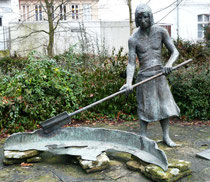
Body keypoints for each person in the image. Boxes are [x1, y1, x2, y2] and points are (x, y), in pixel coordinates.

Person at [120, 4, 180, 147]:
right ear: (136, 19)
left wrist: (169, 64)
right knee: (144, 108)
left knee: (164, 107)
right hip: (144, 77)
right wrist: (129, 82)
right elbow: (131, 63)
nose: (143, 20)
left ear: (151, 16)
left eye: (146, 16)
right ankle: (143, 138)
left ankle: (166, 136)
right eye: (139, 17)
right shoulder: (133, 39)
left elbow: (175, 52)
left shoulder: (161, 32)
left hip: (159, 74)